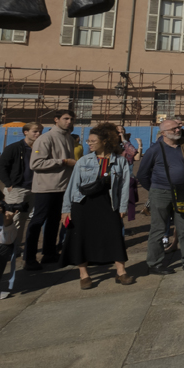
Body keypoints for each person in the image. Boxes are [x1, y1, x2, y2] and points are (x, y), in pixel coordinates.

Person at [60, 122, 134, 289]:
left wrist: (123, 207)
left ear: (105, 141)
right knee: (82, 237)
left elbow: (124, 186)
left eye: (93, 140)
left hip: (108, 203)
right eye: (88, 141)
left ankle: (121, 271)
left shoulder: (120, 161)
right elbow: (72, 186)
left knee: (114, 235)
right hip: (83, 204)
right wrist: (66, 209)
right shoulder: (83, 161)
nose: (90, 143)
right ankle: (84, 274)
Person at [135, 118, 184, 274]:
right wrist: (154, 190)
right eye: (173, 129)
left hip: (182, 192)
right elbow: (142, 174)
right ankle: (155, 263)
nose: (177, 130)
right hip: (161, 193)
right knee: (158, 229)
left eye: (178, 128)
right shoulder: (155, 149)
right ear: (163, 133)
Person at [26, 110, 78, 270]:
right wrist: (63, 162)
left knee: (55, 221)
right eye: (65, 118)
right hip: (46, 187)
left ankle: (49, 253)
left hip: (63, 187)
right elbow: (35, 164)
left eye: (71, 119)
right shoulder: (45, 138)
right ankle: (29, 258)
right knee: (37, 221)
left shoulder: (68, 137)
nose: (69, 122)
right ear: (56, 120)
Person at [0, 123, 42, 285]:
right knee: (12, 219)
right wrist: (8, 183)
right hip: (16, 189)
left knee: (24, 219)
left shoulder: (40, 147)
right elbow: (1, 167)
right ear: (26, 132)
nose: (38, 134)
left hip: (34, 188)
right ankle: (7, 248)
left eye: (40, 131)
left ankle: (16, 247)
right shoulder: (14, 148)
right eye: (35, 131)